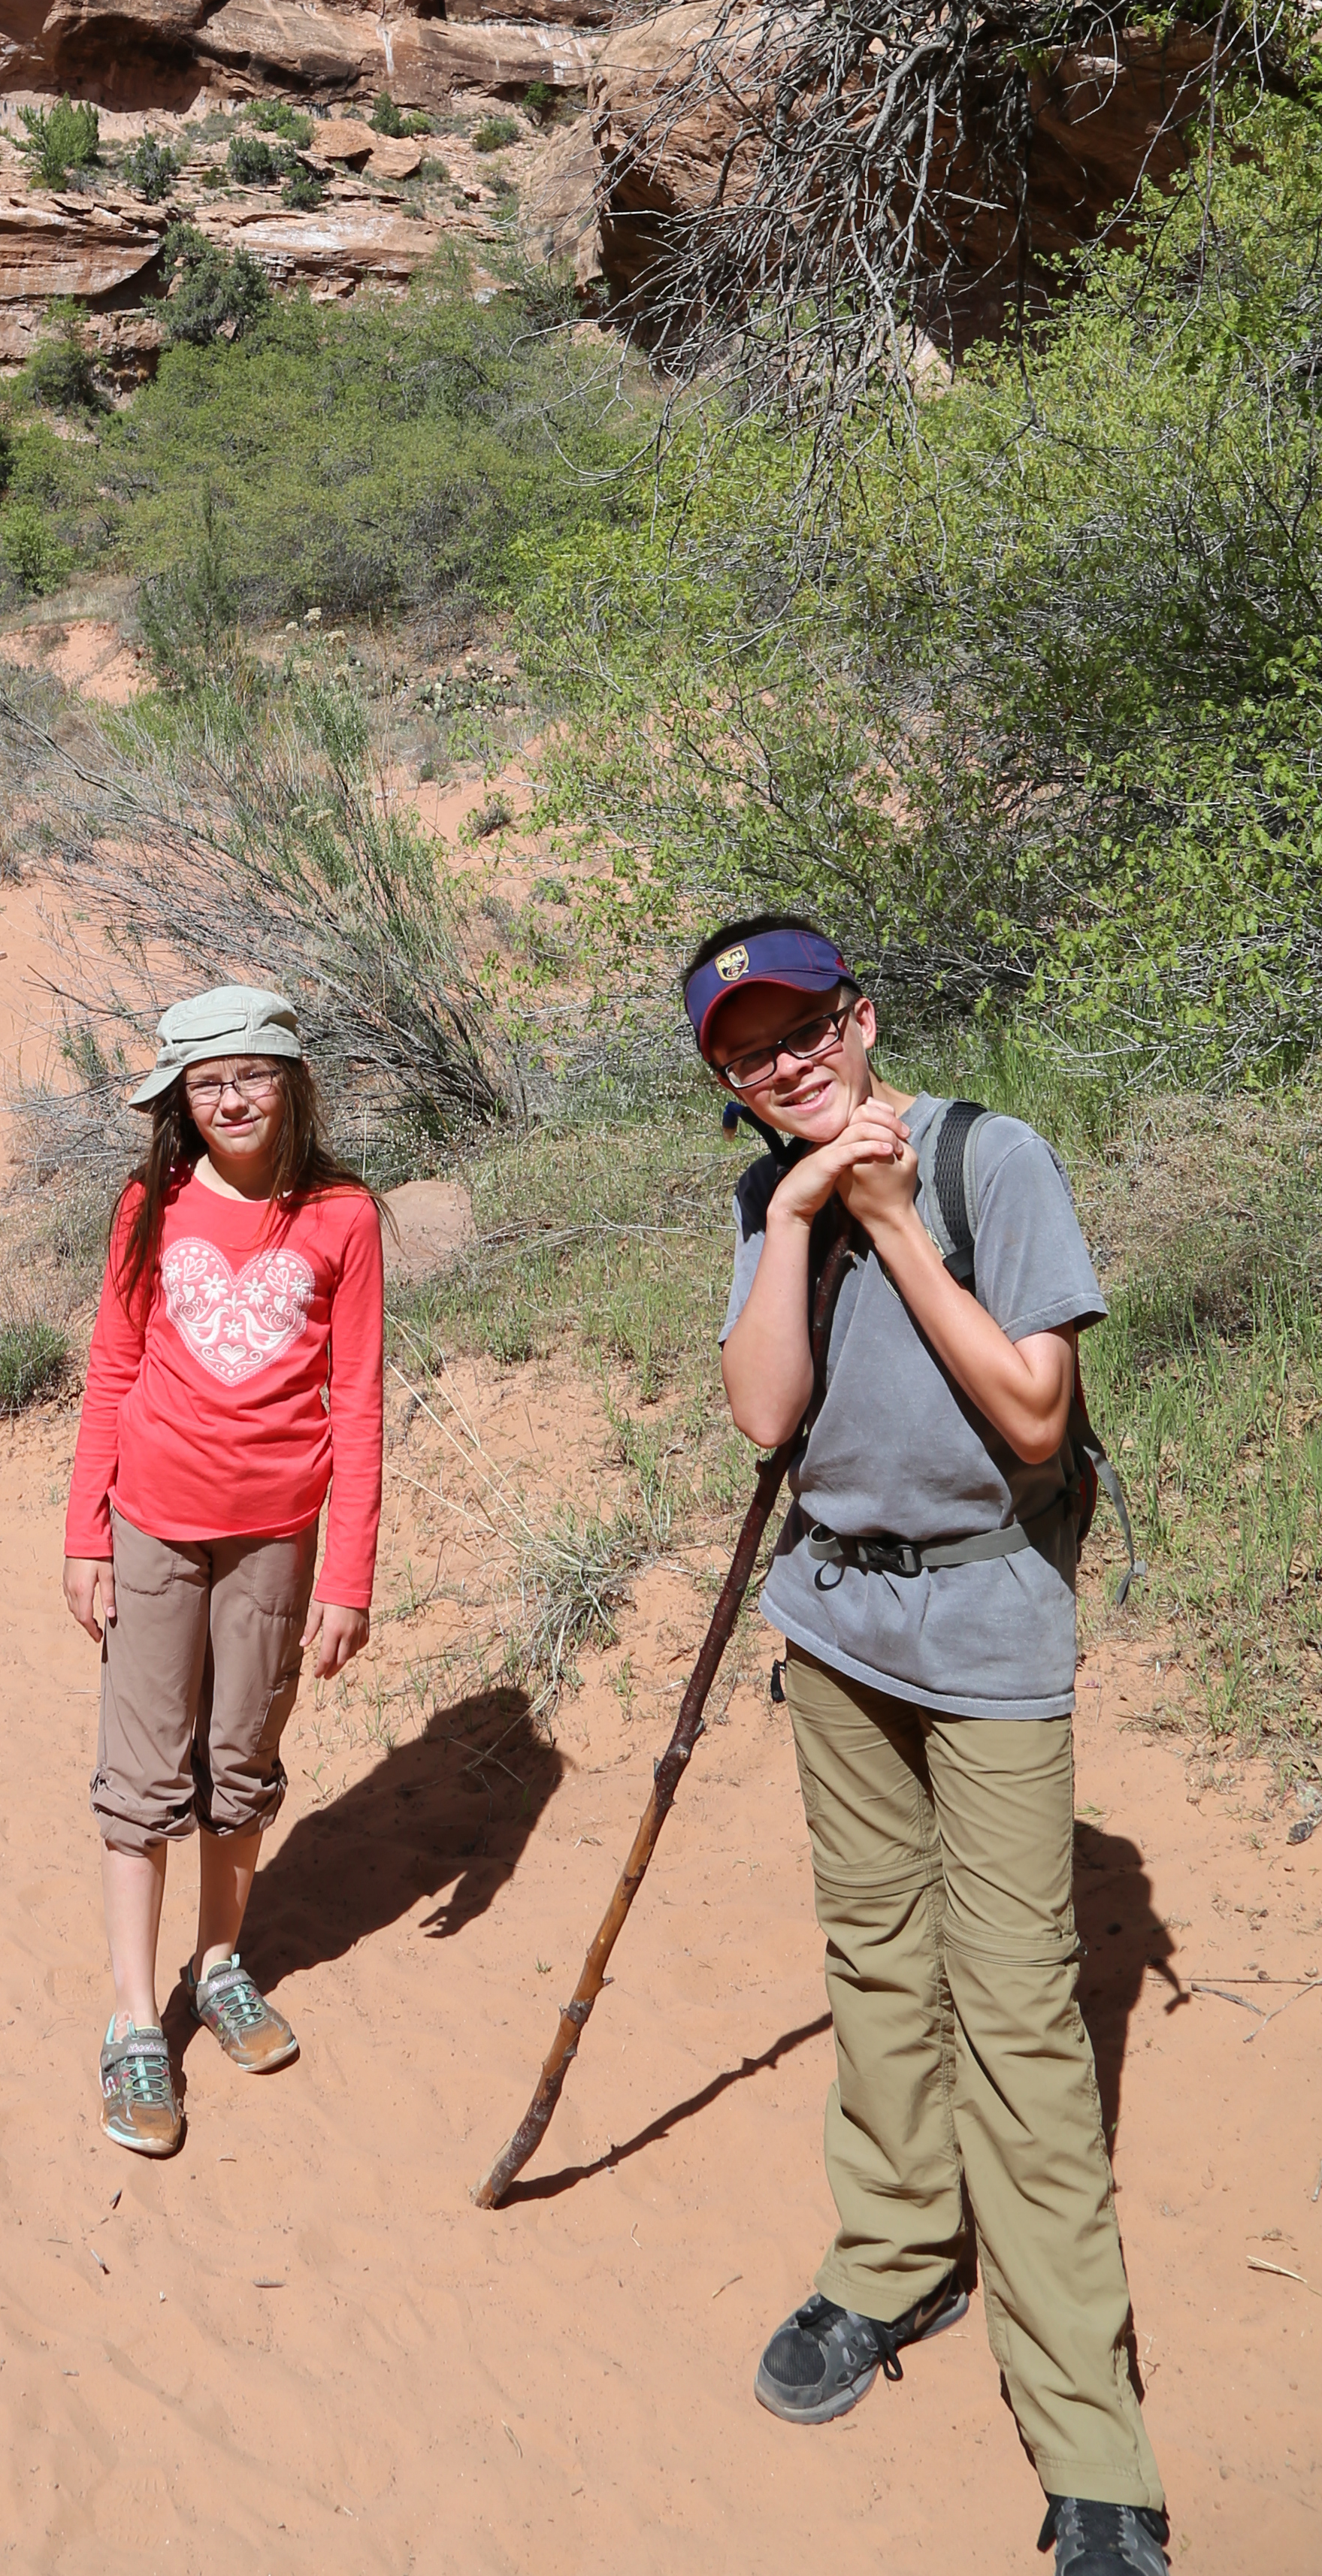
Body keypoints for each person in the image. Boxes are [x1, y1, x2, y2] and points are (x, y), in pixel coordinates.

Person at [693, 914, 1167, 2576]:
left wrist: (890, 1224)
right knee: (879, 1963)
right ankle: (896, 2257)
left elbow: (1036, 1417)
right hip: (833, 1626)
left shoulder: (990, 1158)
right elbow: (765, 1416)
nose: (789, 1063)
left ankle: (1091, 2443)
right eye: (751, 1052)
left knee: (1022, 2014)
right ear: (731, 1084)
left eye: (806, 1025)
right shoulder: (765, 1196)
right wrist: (803, 1215)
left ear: (863, 1016)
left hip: (986, 1627)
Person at [59, 983, 383, 2160]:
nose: (230, 1098)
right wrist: (86, 1534)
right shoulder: (149, 1205)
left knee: (241, 1760)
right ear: (179, 1101)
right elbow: (110, 1369)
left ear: (292, 1081)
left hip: (277, 1535)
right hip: (152, 1521)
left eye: (250, 1074)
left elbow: (358, 1397)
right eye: (206, 1082)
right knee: (142, 1770)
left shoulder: (345, 1214)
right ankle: (137, 2019)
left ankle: (219, 1964)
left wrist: (347, 1573)